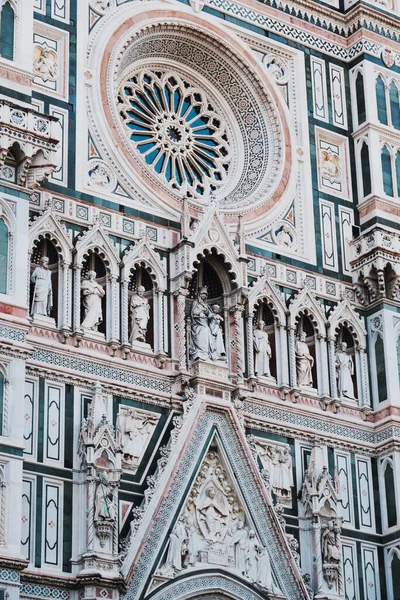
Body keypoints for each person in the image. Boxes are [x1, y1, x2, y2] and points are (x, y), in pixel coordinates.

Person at [189, 287, 213, 361]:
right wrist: (200, 312)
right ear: (199, 294)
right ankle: (200, 352)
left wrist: (207, 312)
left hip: (205, 323)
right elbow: (193, 313)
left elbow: (211, 315)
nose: (204, 296)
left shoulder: (206, 305)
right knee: (203, 330)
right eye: (202, 294)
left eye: (205, 294)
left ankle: (206, 353)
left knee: (208, 331)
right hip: (197, 324)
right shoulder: (195, 303)